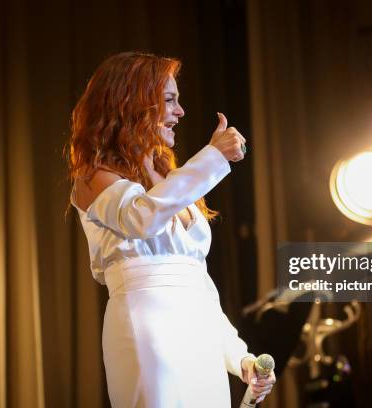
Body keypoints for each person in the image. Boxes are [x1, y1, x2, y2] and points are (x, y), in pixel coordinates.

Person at [66, 51, 276, 407]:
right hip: (148, 330)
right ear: (130, 103)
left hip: (200, 338)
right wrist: (213, 157)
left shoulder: (170, 178)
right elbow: (140, 219)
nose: (180, 112)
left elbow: (200, 289)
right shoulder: (95, 176)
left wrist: (239, 357)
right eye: (168, 100)